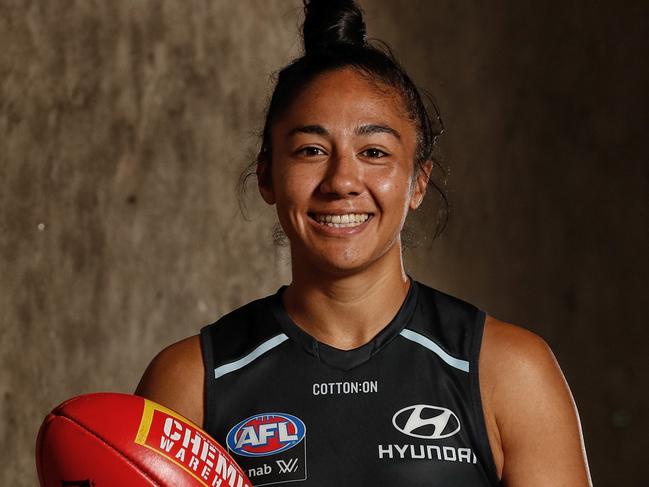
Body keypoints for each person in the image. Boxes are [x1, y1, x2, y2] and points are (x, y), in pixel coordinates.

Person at [135, 1, 592, 485]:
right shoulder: (193, 382)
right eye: (311, 150)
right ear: (268, 175)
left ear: (417, 182)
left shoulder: (507, 371)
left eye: (374, 152)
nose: (342, 181)